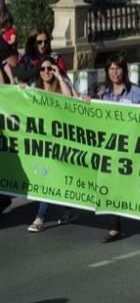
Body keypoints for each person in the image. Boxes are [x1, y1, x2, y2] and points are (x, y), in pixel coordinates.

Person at [95, 56, 140, 242]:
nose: (114, 72)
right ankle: (114, 227)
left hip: (132, 147)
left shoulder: (136, 93)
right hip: (112, 147)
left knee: (134, 182)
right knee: (111, 184)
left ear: (124, 71)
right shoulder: (103, 93)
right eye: (111, 69)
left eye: (118, 68)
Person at [25, 57, 76, 233]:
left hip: (60, 141)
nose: (46, 72)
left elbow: (70, 100)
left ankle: (40, 218)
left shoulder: (61, 88)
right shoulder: (34, 90)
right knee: (47, 176)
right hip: (42, 142)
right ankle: (68, 210)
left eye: (50, 68)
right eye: (43, 69)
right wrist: (21, 91)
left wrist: (60, 77)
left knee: (50, 176)